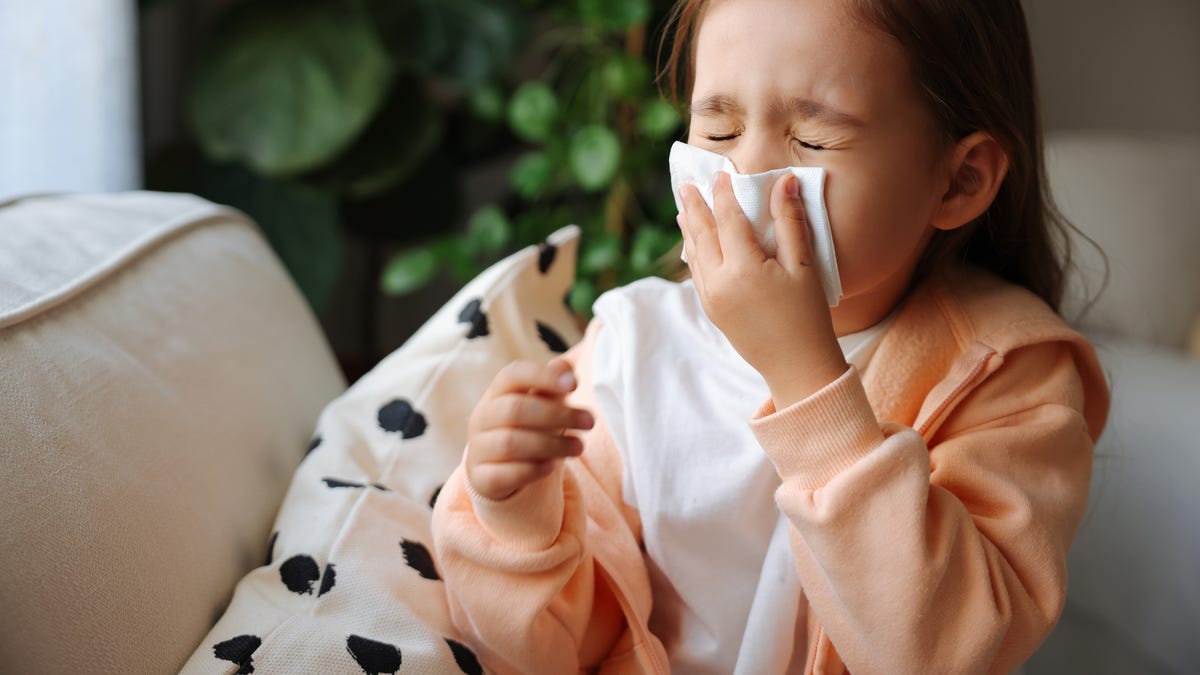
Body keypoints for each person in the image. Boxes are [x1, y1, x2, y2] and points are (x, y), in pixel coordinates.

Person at [431, 0, 1110, 672]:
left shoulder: (1007, 371)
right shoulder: (635, 350)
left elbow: (941, 652)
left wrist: (805, 375)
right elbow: (560, 647)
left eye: (812, 141)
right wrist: (516, 517)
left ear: (959, 180)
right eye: (719, 130)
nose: (747, 173)